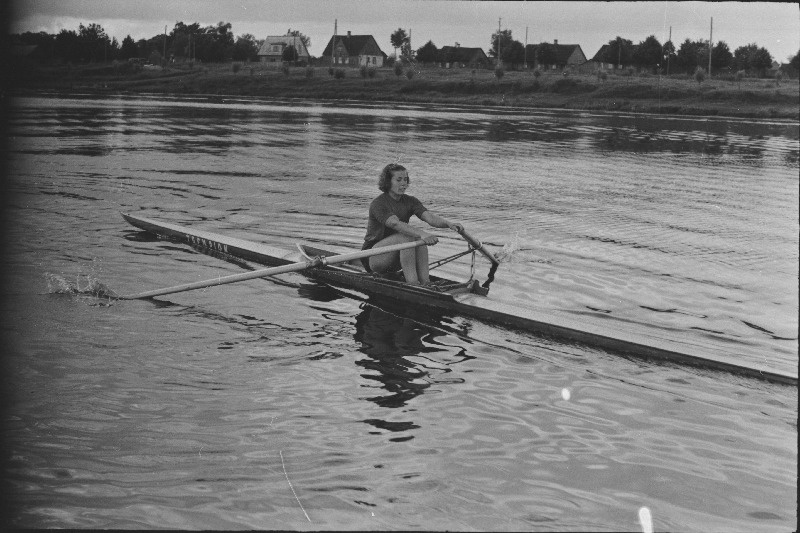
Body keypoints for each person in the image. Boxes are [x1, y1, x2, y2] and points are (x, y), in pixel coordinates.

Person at [362, 163, 463, 285]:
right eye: (398, 180)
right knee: (408, 236)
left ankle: (426, 282)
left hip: (396, 253)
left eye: (405, 179)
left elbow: (429, 217)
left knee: (416, 239)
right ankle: (413, 284)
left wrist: (449, 224)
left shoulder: (411, 201)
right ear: (388, 182)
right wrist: (423, 234)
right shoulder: (378, 204)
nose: (403, 183)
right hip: (372, 257)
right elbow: (395, 224)